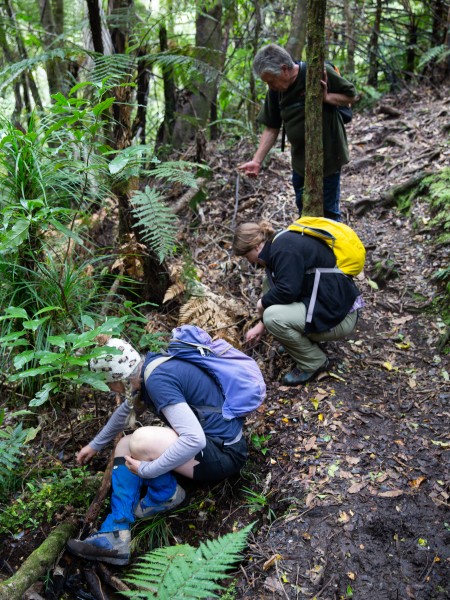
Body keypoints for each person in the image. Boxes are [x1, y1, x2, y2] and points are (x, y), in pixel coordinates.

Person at [67, 337, 248, 565]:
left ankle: (166, 495)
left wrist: (147, 470)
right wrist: (95, 445)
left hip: (224, 454)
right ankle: (116, 531)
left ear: (118, 378)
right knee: (124, 445)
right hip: (218, 448)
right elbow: (124, 413)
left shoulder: (157, 381)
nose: (108, 389)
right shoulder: (150, 370)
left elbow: (195, 440)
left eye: (107, 383)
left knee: (141, 440)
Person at [233, 221, 363, 385]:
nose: (249, 261)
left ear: (256, 246)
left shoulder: (283, 250)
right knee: (269, 286)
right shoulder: (281, 243)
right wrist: (261, 325)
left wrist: (262, 305)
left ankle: (314, 362)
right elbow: (285, 288)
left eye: (246, 256)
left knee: (273, 318)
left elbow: (288, 292)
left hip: (340, 318)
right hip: (330, 306)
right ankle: (300, 344)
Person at [238, 44, 357, 221]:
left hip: (329, 157)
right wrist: (257, 161)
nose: (270, 85)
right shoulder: (276, 92)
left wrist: (327, 98)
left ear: (284, 69)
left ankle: (332, 246)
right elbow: (271, 126)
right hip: (301, 162)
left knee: (329, 213)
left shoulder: (316, 72)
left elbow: (351, 96)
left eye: (271, 80)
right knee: (304, 210)